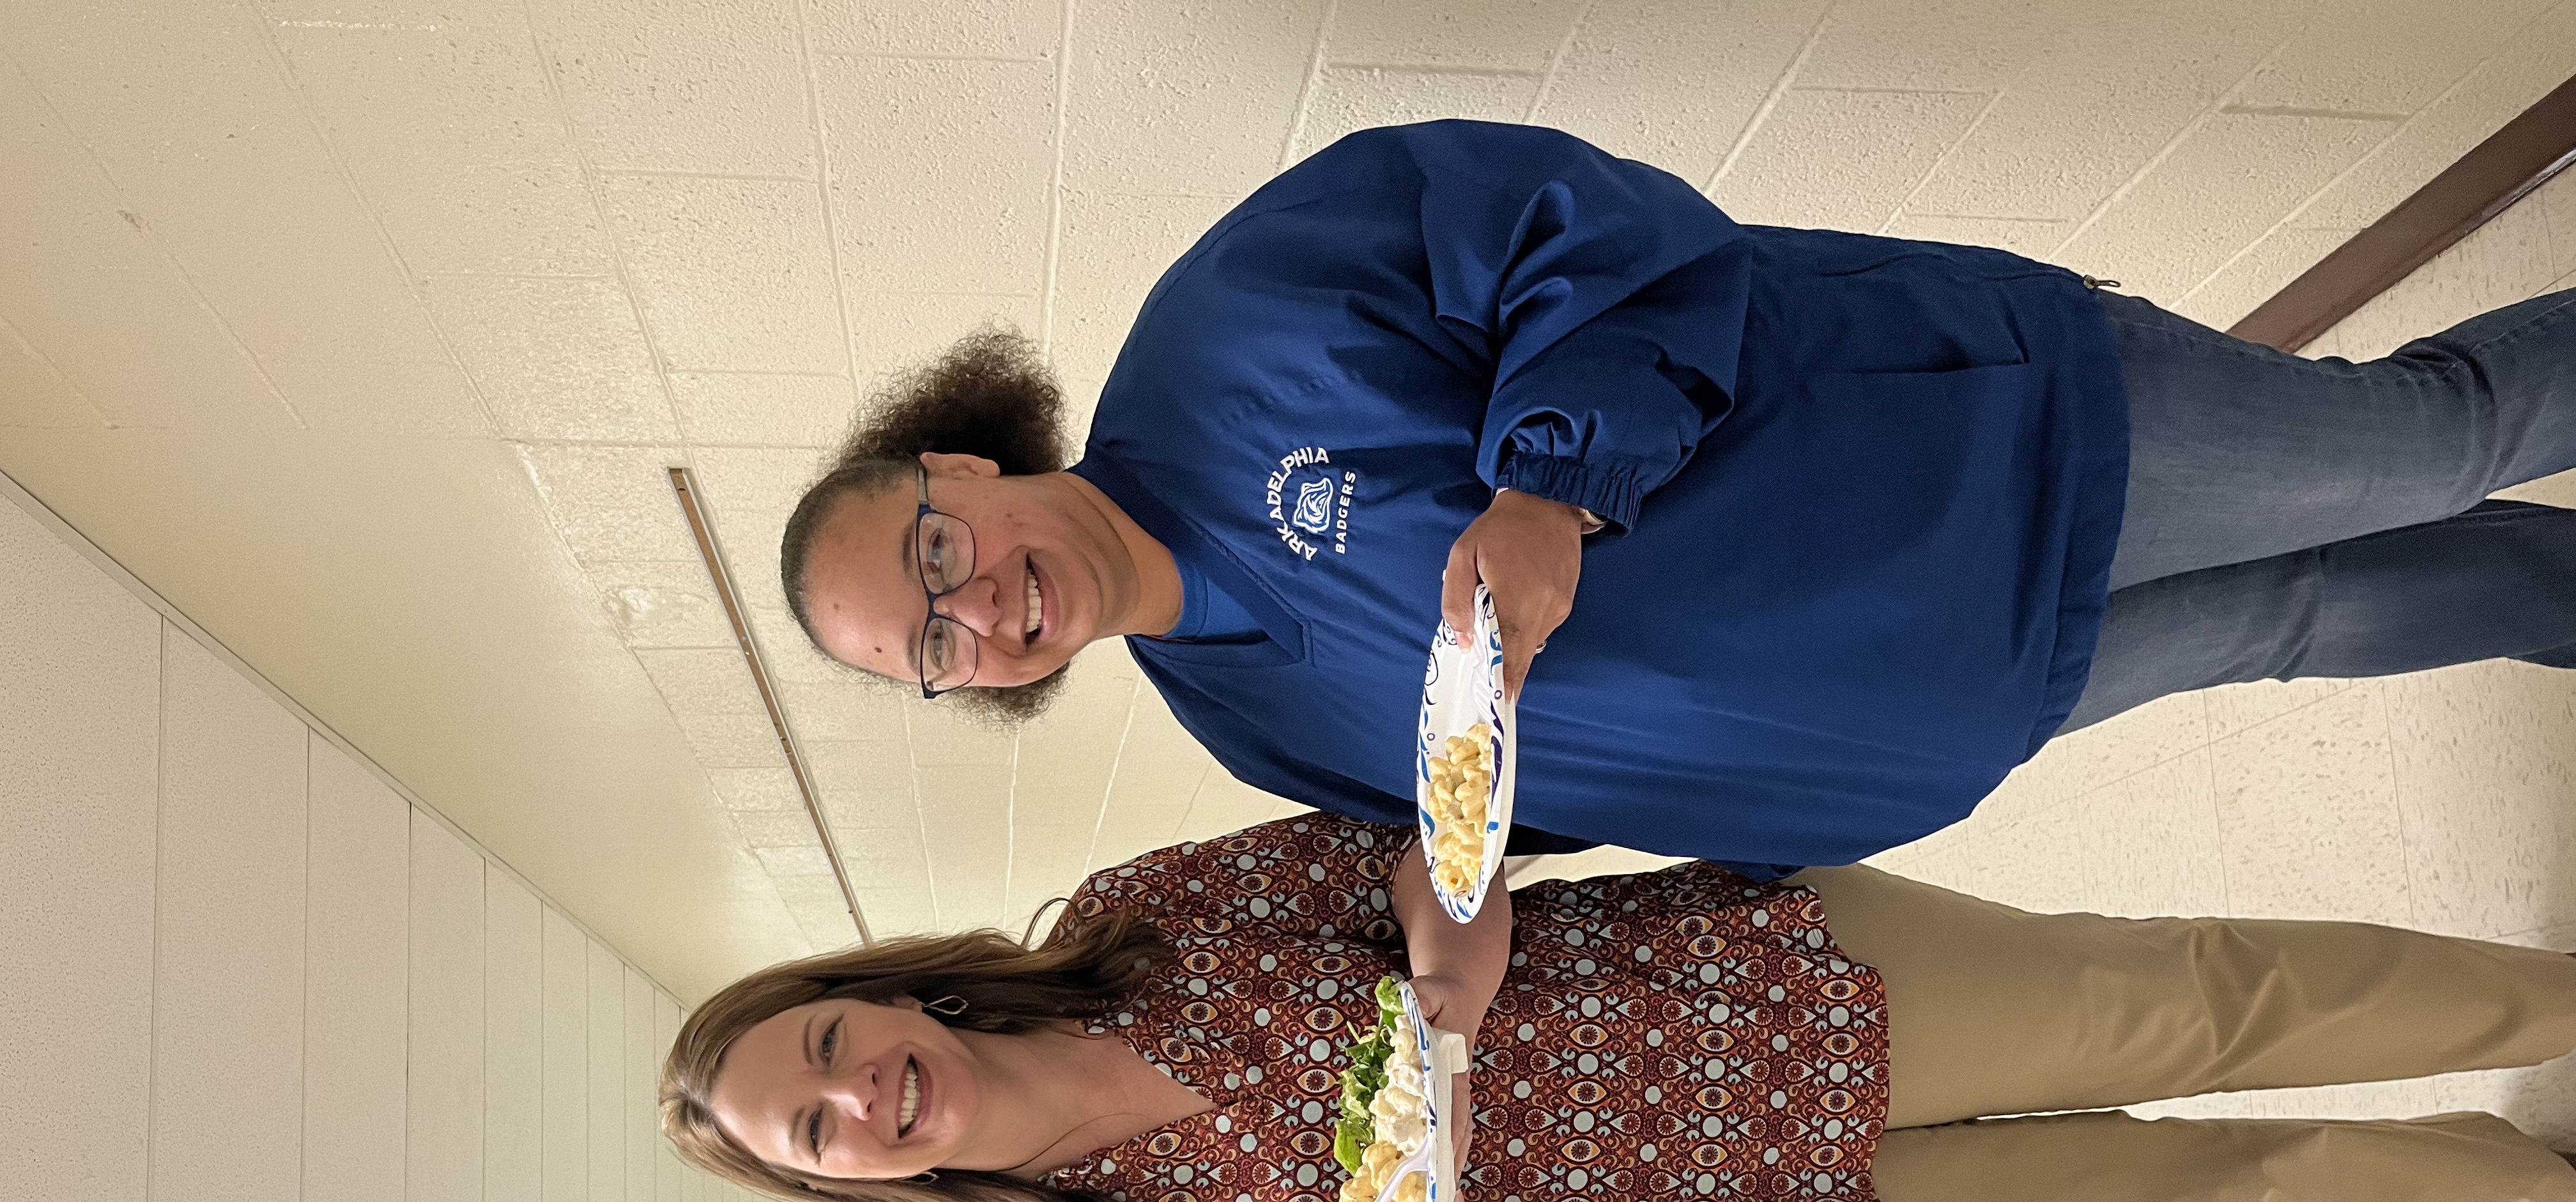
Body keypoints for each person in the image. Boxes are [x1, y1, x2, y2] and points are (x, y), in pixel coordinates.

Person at [778, 120, 2576, 880]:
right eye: (934, 645)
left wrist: (1545, 493)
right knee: (2302, 618)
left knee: (2429, 436)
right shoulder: (1237, 718)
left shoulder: (1237, 322)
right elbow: (1521, 817)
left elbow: (1591, 227)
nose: (984, 606)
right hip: (1946, 699)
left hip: (1983, 449)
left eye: (937, 553)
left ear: (959, 463)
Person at [660, 814, 2576, 1202]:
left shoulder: (1130, 919)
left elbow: (1400, 851)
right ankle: (2541, 1199)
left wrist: (1445, 970)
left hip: (1747, 995)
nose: (854, 1096)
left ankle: (2553, 1007)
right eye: (814, 1137)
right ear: (853, 1184)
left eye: (826, 1046)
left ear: (879, 991)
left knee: (2196, 995)